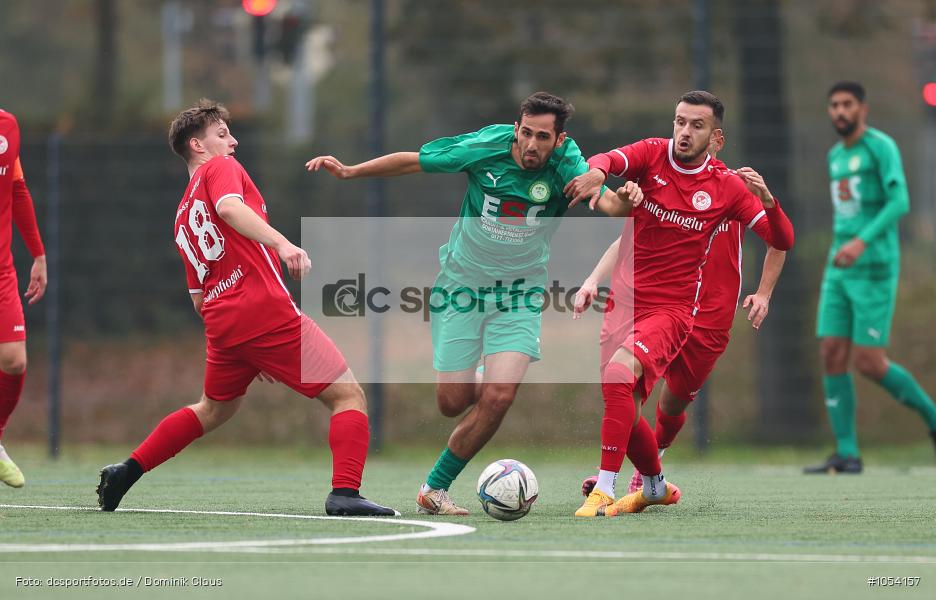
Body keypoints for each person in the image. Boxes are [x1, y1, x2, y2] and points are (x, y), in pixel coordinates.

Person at [305, 92, 640, 515]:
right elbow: (414, 160)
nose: (532, 144)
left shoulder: (568, 161)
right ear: (516, 128)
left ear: (559, 139)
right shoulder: (486, 147)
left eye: (542, 136)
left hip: (520, 293)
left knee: (500, 395)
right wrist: (351, 171)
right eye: (526, 133)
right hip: (461, 286)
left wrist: (624, 198)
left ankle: (435, 487)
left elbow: (609, 204)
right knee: (451, 402)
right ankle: (485, 370)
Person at [96, 99, 397, 516]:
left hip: (223, 323)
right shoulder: (220, 169)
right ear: (198, 146)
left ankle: (126, 471)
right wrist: (283, 243)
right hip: (262, 310)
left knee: (213, 409)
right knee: (348, 396)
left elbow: (198, 298)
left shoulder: (183, 215)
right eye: (222, 134)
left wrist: (247, 345)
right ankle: (344, 494)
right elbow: (229, 207)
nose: (232, 141)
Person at [564, 91, 793, 516]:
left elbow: (780, 241)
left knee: (670, 403)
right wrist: (594, 279)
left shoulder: (729, 190)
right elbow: (631, 232)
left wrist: (764, 292)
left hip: (705, 313)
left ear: (717, 138)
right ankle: (645, 479)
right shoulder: (654, 162)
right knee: (622, 387)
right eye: (680, 122)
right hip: (645, 303)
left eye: (697, 125)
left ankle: (639, 475)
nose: (685, 132)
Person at [805, 81, 936, 474]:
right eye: (833, 105)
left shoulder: (881, 147)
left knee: (869, 362)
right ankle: (847, 453)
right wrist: (845, 246)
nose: (839, 112)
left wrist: (861, 242)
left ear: (863, 108)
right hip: (838, 267)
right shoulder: (833, 156)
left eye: (847, 104)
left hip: (874, 268)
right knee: (830, 351)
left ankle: (932, 418)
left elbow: (900, 202)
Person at [0, 109, 47, 489]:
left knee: (14, 361)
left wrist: (38, 254)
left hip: (2, 271)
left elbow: (17, 189)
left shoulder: (9, 126)